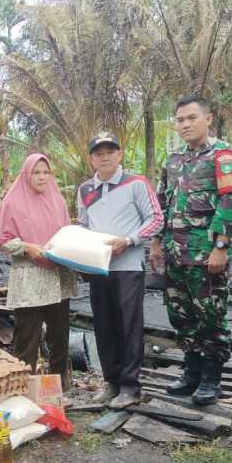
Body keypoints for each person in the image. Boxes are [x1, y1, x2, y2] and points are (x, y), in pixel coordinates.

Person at [151, 95, 232, 406]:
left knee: (210, 316)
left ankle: (211, 377)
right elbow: (162, 203)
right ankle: (190, 371)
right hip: (175, 253)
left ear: (209, 119)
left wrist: (221, 247)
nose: (185, 124)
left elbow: (231, 203)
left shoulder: (224, 156)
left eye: (192, 118)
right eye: (180, 120)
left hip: (206, 256)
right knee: (180, 314)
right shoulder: (174, 159)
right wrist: (156, 242)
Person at [77, 133, 163, 409]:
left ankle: (130, 386)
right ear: (91, 158)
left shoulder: (136, 183)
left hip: (127, 267)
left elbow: (156, 219)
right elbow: (83, 224)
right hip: (99, 267)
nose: (104, 157)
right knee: (103, 325)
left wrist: (128, 240)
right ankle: (111, 382)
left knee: (128, 325)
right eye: (98, 153)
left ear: (119, 154)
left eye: (110, 152)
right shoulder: (85, 190)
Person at [0, 153, 77, 391]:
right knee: (27, 334)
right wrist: (26, 247)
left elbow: (66, 234)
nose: (41, 177)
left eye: (45, 172)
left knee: (60, 334)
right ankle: (22, 388)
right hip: (30, 277)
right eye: (36, 172)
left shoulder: (57, 200)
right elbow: (2, 240)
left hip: (57, 275)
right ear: (26, 174)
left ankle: (60, 385)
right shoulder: (13, 202)